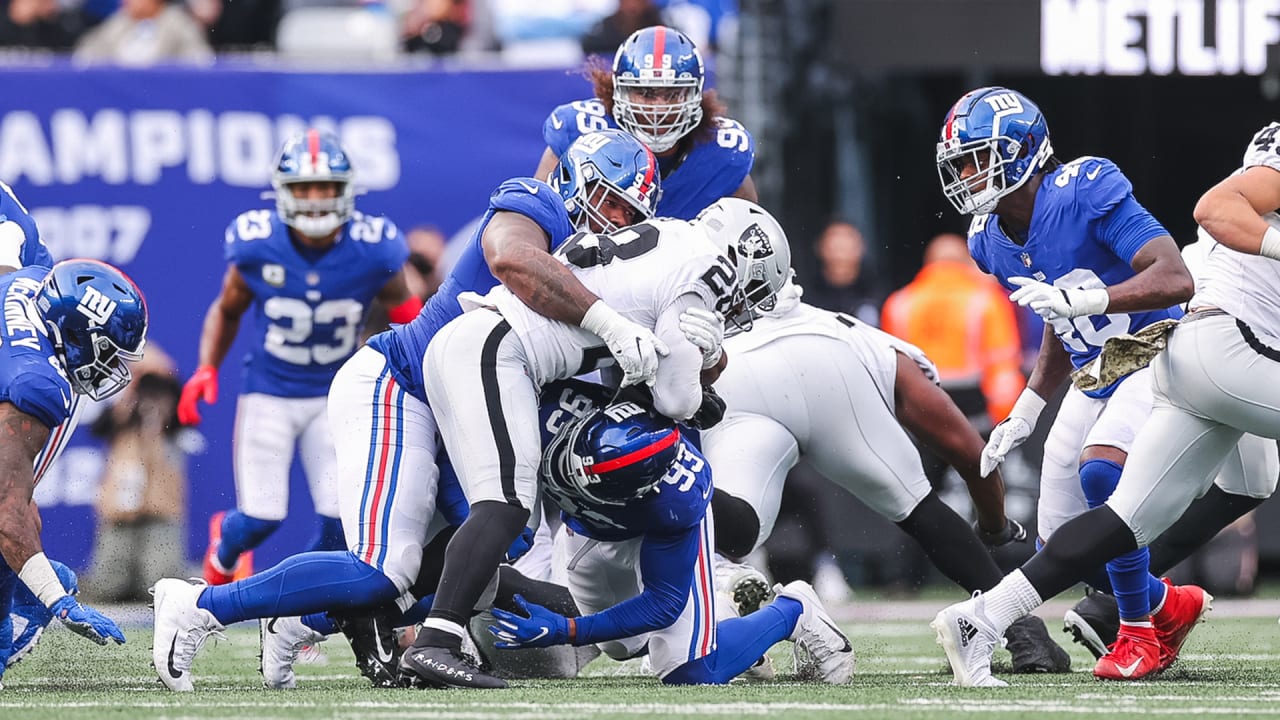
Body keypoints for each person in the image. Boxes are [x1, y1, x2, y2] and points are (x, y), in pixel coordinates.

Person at [150, 128, 667, 692]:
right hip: (401, 388)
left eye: (629, 211)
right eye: (610, 201)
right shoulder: (534, 202)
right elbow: (510, 257)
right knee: (381, 569)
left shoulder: (612, 277)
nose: (615, 220)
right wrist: (607, 322)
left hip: (453, 417)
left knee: (501, 534)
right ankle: (200, 603)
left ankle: (306, 616)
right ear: (574, 182)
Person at [397, 196, 791, 690]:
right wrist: (703, 365)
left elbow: (640, 370)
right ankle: (436, 643)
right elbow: (673, 399)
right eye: (752, 289)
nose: (742, 304)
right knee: (505, 507)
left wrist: (701, 368)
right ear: (746, 260)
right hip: (500, 351)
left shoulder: (670, 237)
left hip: (477, 342)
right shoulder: (708, 269)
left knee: (498, 518)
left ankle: (389, 611)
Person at [927, 86, 1203, 686]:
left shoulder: (1085, 187)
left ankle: (1137, 635)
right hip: (1095, 371)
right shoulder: (988, 239)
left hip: (1157, 349)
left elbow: (1176, 277)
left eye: (980, 156)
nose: (969, 174)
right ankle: (1167, 605)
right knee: (1067, 545)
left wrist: (1088, 297)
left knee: (1101, 471)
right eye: (962, 162)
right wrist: (1027, 407)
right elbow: (1060, 322)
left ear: (1025, 149)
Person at [691, 275, 1069, 674]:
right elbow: (973, 453)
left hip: (737, 369)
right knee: (921, 509)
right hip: (830, 366)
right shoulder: (870, 341)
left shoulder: (707, 326)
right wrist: (994, 525)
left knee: (734, 532)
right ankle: (1024, 632)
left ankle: (720, 603)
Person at [176, 129, 423, 588]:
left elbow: (408, 315)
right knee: (261, 517)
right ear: (282, 193)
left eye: (325, 187)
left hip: (337, 395)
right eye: (303, 188)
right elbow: (227, 309)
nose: (314, 200)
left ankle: (304, 608)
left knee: (339, 522)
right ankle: (224, 546)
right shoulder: (257, 243)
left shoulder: (375, 247)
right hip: (269, 392)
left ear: (346, 190)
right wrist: (206, 366)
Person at [486, 385, 854, 685]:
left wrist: (568, 630)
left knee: (688, 669)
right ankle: (721, 619)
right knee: (621, 645)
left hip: (648, 536)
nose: (569, 482)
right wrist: (525, 518)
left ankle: (792, 611)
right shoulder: (552, 413)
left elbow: (662, 603)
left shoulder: (674, 503)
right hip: (589, 530)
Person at [0, 259, 149, 682]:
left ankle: (23, 587)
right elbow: (7, 512)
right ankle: (29, 594)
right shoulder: (37, 384)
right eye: (106, 351)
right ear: (78, 331)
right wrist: (56, 600)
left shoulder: (28, 283)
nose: (110, 367)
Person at [534, 25, 757, 219]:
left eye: (672, 94)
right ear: (617, 90)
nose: (659, 107)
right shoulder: (579, 131)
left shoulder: (724, 153)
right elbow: (541, 219)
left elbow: (748, 244)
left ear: (696, 94)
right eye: (646, 92)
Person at [881, 232, 1024, 427]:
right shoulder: (986, 300)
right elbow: (1002, 365)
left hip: (920, 404)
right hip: (974, 406)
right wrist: (1005, 418)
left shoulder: (899, 303)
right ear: (966, 262)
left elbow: (890, 368)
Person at [84, 342, 189, 602]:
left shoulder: (173, 414)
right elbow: (98, 428)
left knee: (158, 585)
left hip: (160, 511)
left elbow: (174, 391)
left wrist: (160, 379)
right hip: (121, 510)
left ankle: (198, 579)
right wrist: (130, 391)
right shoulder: (121, 414)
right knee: (108, 586)